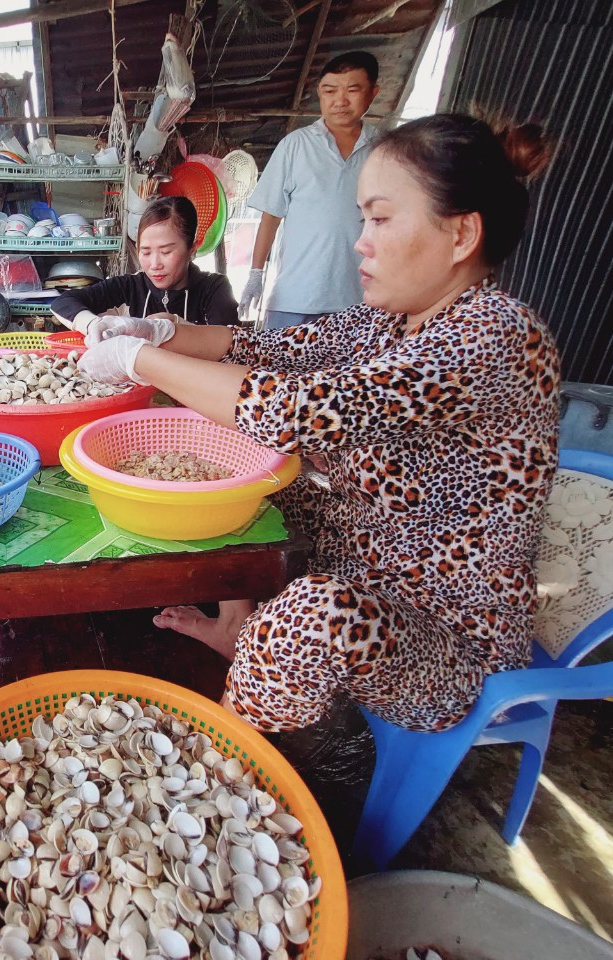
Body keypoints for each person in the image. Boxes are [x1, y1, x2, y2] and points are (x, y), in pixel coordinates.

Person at [75, 113, 559, 735]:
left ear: (462, 234)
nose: (361, 240)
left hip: (448, 641)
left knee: (311, 613)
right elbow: (266, 347)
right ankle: (237, 627)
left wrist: (139, 359)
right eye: (364, 219)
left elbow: (293, 410)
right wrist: (160, 330)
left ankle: (222, 759)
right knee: (228, 483)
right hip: (367, 563)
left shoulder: (496, 335)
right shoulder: (388, 321)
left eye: (380, 218)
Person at [240, 51, 381, 329]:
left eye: (352, 90)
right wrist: (255, 275)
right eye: (330, 91)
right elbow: (271, 217)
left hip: (359, 302)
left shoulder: (384, 148)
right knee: (280, 372)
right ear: (319, 93)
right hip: (294, 298)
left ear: (373, 93)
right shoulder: (295, 146)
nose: (340, 101)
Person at [51, 196, 238, 338]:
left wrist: (175, 324)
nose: (155, 264)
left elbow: (229, 345)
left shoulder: (214, 289)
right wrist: (92, 324)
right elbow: (63, 303)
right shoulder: (130, 287)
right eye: (146, 252)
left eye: (166, 252)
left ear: (192, 248)